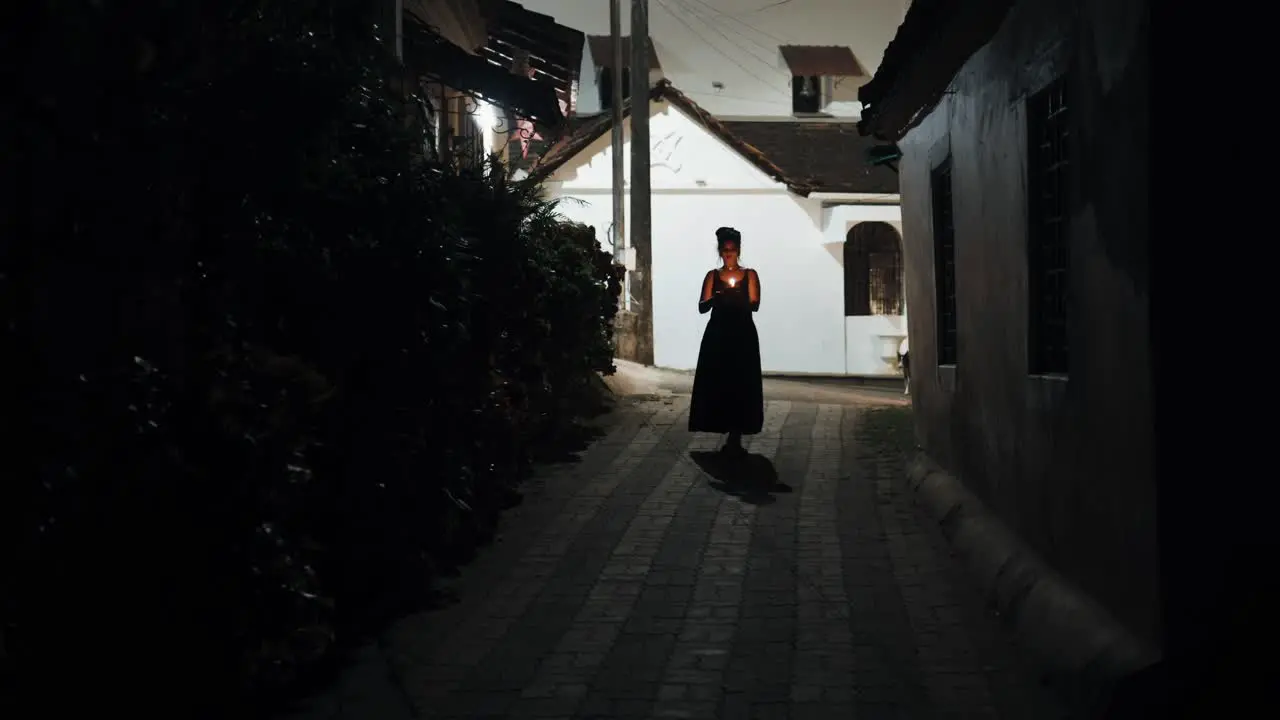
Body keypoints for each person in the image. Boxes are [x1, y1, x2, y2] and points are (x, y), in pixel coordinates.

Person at [688, 227, 764, 453]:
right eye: (724, 250)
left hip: (742, 335)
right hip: (718, 334)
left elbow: (755, 304)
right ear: (720, 251)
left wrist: (736, 297)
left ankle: (737, 432)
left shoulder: (750, 275)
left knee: (741, 381)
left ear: (738, 250)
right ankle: (721, 423)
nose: (728, 254)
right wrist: (718, 297)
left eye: (732, 250)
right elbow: (702, 306)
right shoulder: (713, 275)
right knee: (719, 379)